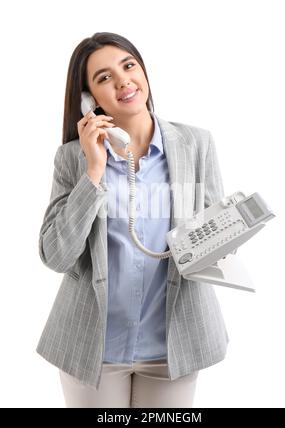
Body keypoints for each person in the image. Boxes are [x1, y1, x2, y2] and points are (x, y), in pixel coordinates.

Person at [36, 32, 229, 408]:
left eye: (129, 66)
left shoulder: (197, 144)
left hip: (173, 345)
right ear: (88, 99)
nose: (123, 80)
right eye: (104, 77)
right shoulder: (72, 159)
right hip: (94, 347)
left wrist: (227, 236)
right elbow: (56, 255)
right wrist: (93, 171)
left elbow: (212, 240)